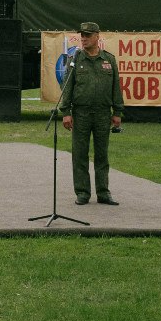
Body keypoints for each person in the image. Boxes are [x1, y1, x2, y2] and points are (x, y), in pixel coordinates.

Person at [56, 22, 124, 205]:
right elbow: (67, 86)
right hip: (81, 113)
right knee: (80, 154)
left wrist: (117, 111)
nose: (83, 39)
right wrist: (66, 112)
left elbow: (116, 87)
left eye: (87, 35)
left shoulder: (108, 60)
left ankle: (103, 192)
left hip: (103, 113)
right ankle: (82, 192)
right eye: (82, 36)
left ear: (97, 36)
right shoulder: (76, 59)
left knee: (102, 154)